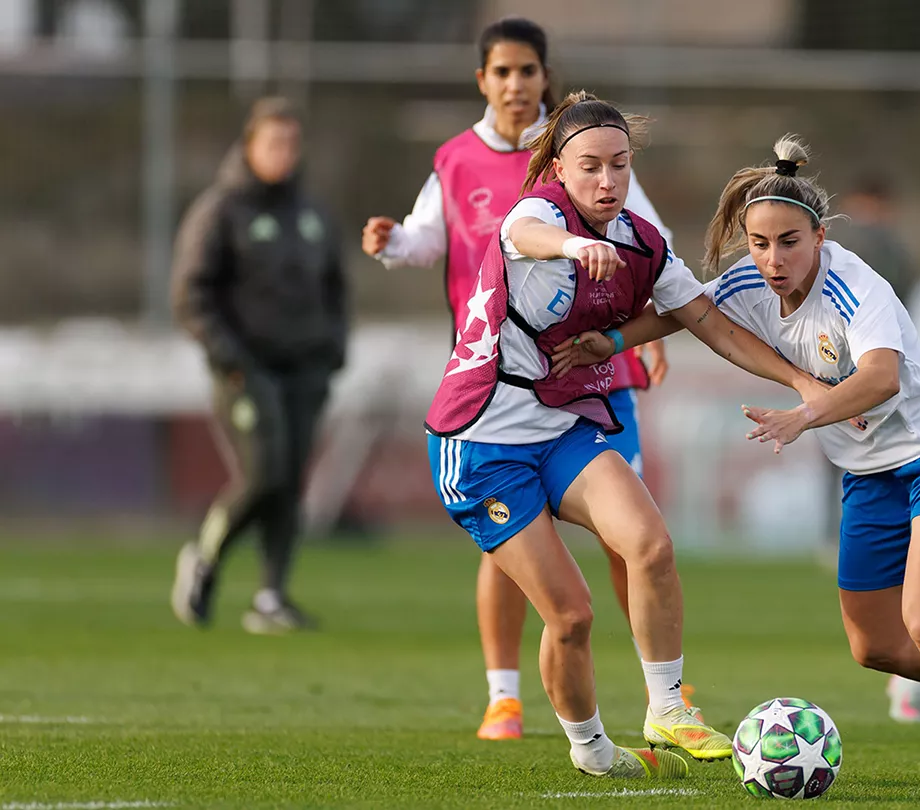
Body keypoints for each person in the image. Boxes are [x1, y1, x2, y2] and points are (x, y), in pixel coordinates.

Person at [559, 136, 920, 791]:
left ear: (820, 236)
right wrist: (615, 340)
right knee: (875, 646)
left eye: (789, 242)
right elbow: (688, 311)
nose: (773, 259)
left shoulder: (854, 286)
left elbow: (881, 377)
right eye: (760, 243)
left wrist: (804, 413)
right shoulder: (749, 281)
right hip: (871, 473)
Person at [425, 92, 827, 780]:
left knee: (650, 545)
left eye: (619, 164)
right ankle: (591, 749)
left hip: (562, 426)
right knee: (572, 616)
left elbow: (712, 324)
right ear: (559, 169)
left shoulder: (643, 243)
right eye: (589, 166)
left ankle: (667, 708)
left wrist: (802, 383)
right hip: (482, 441)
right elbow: (528, 235)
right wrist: (575, 244)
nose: (606, 180)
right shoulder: (539, 214)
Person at [359, 17, 680, 741]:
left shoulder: (583, 152)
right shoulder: (456, 160)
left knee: (634, 535)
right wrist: (393, 243)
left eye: (526, 70)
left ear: (544, 77)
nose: (514, 84)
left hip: (591, 370)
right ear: (483, 80)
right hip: (500, 377)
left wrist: (646, 334)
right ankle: (503, 693)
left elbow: (648, 246)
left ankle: (663, 686)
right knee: (512, 543)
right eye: (501, 72)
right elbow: (428, 240)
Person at [170, 97, 348, 635]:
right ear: (249, 146)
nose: (283, 153)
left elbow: (336, 288)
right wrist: (229, 357)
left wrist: (333, 349)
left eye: (291, 142)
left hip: (306, 370)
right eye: (273, 142)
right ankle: (205, 558)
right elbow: (190, 295)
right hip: (246, 369)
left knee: (290, 482)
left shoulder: (312, 213)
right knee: (264, 474)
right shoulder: (220, 211)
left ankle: (271, 596)